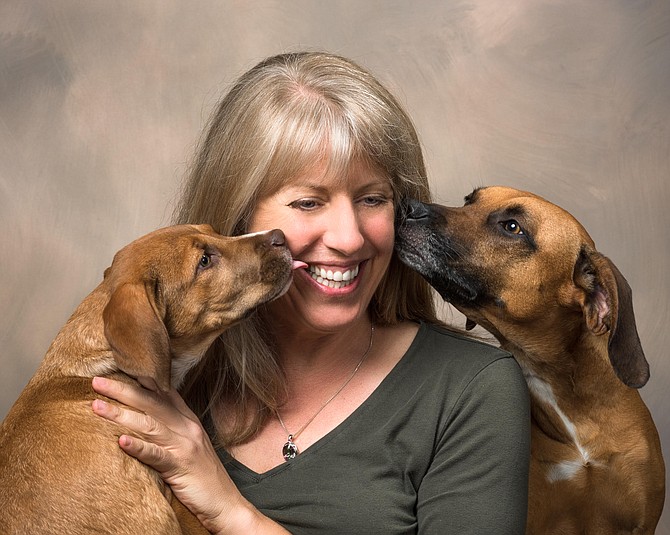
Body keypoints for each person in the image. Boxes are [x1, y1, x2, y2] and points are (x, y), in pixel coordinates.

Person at [91, 51, 530, 534]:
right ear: (240, 220)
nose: (349, 238)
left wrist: (231, 512)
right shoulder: (156, 378)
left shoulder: (471, 389)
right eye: (308, 202)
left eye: (373, 199)